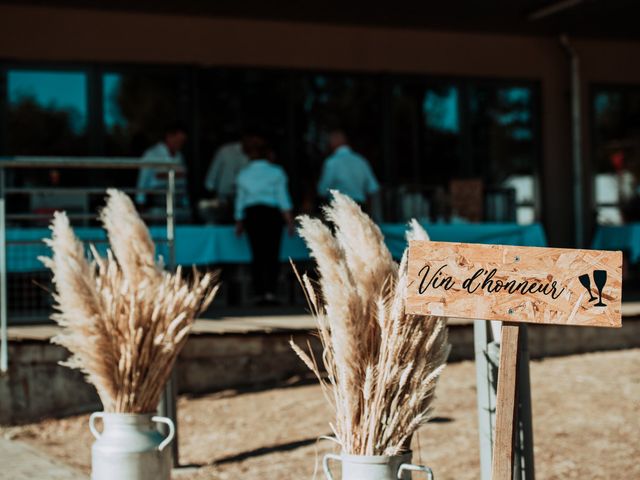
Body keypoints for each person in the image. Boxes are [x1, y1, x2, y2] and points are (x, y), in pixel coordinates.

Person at [235, 138, 294, 305]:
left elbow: (241, 199)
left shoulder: (244, 174)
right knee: (272, 253)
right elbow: (283, 198)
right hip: (271, 214)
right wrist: (289, 220)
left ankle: (260, 291)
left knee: (257, 253)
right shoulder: (276, 172)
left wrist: (239, 220)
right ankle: (270, 292)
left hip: (252, 215)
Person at [136, 122, 190, 220]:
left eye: (182, 142)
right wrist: (141, 207)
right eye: (178, 141)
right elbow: (142, 183)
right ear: (169, 136)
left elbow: (183, 183)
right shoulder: (152, 154)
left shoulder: (179, 156)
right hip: (157, 206)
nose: (180, 144)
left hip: (178, 206)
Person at [317, 129, 380, 210]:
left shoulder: (331, 162)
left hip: (340, 209)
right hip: (360, 208)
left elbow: (322, 191)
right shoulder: (361, 160)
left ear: (332, 143)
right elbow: (373, 188)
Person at [203, 134, 254, 222]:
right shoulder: (225, 151)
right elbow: (211, 180)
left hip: (246, 201)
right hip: (223, 200)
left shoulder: (254, 156)